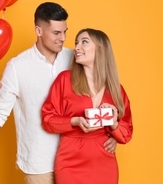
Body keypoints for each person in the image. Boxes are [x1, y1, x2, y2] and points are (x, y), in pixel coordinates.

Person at [0, 3, 117, 184]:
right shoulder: (18, 67)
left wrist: (112, 134)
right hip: (39, 164)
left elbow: (103, 95)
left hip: (80, 161)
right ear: (38, 31)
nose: (62, 38)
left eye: (65, 32)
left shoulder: (76, 58)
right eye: (56, 33)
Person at [41, 28, 133, 184]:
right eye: (76, 43)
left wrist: (114, 125)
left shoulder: (116, 89)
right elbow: (47, 119)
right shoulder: (65, 80)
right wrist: (74, 122)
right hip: (70, 162)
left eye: (84, 42)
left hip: (104, 162)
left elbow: (127, 132)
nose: (76, 47)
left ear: (101, 49)